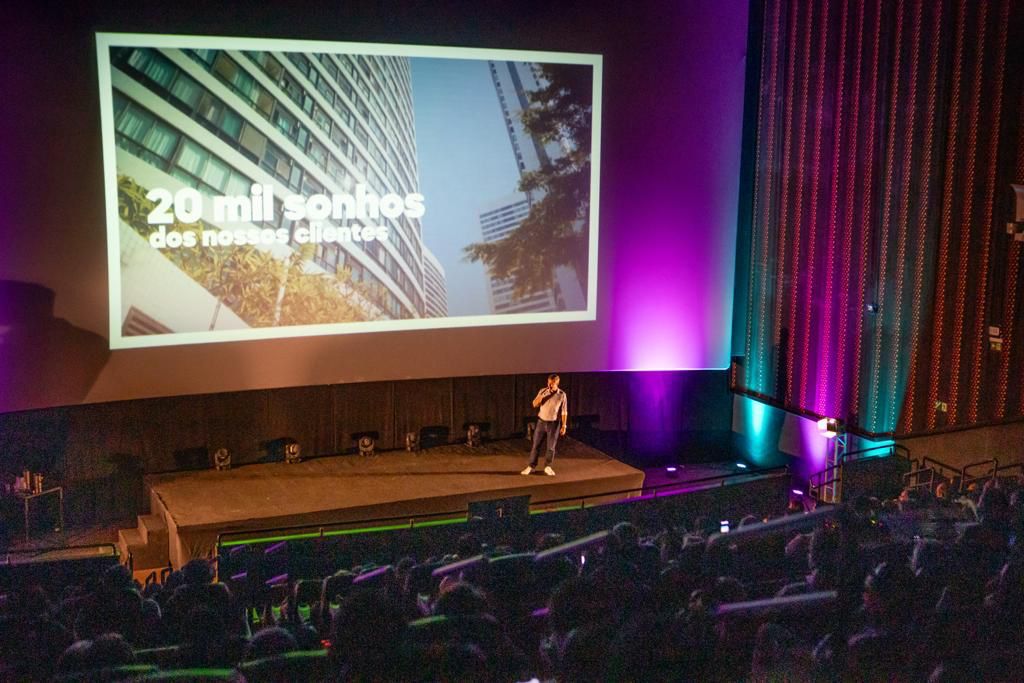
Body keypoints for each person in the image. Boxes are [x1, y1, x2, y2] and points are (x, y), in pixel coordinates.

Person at [521, 374, 567, 476]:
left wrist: (564, 425)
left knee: (551, 447)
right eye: (548, 383)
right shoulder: (543, 391)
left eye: (552, 384)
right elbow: (534, 404)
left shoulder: (562, 394)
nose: (549, 385)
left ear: (557, 383)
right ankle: (531, 466)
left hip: (554, 423)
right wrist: (543, 395)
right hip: (541, 422)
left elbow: (564, 411)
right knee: (536, 445)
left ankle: (548, 466)